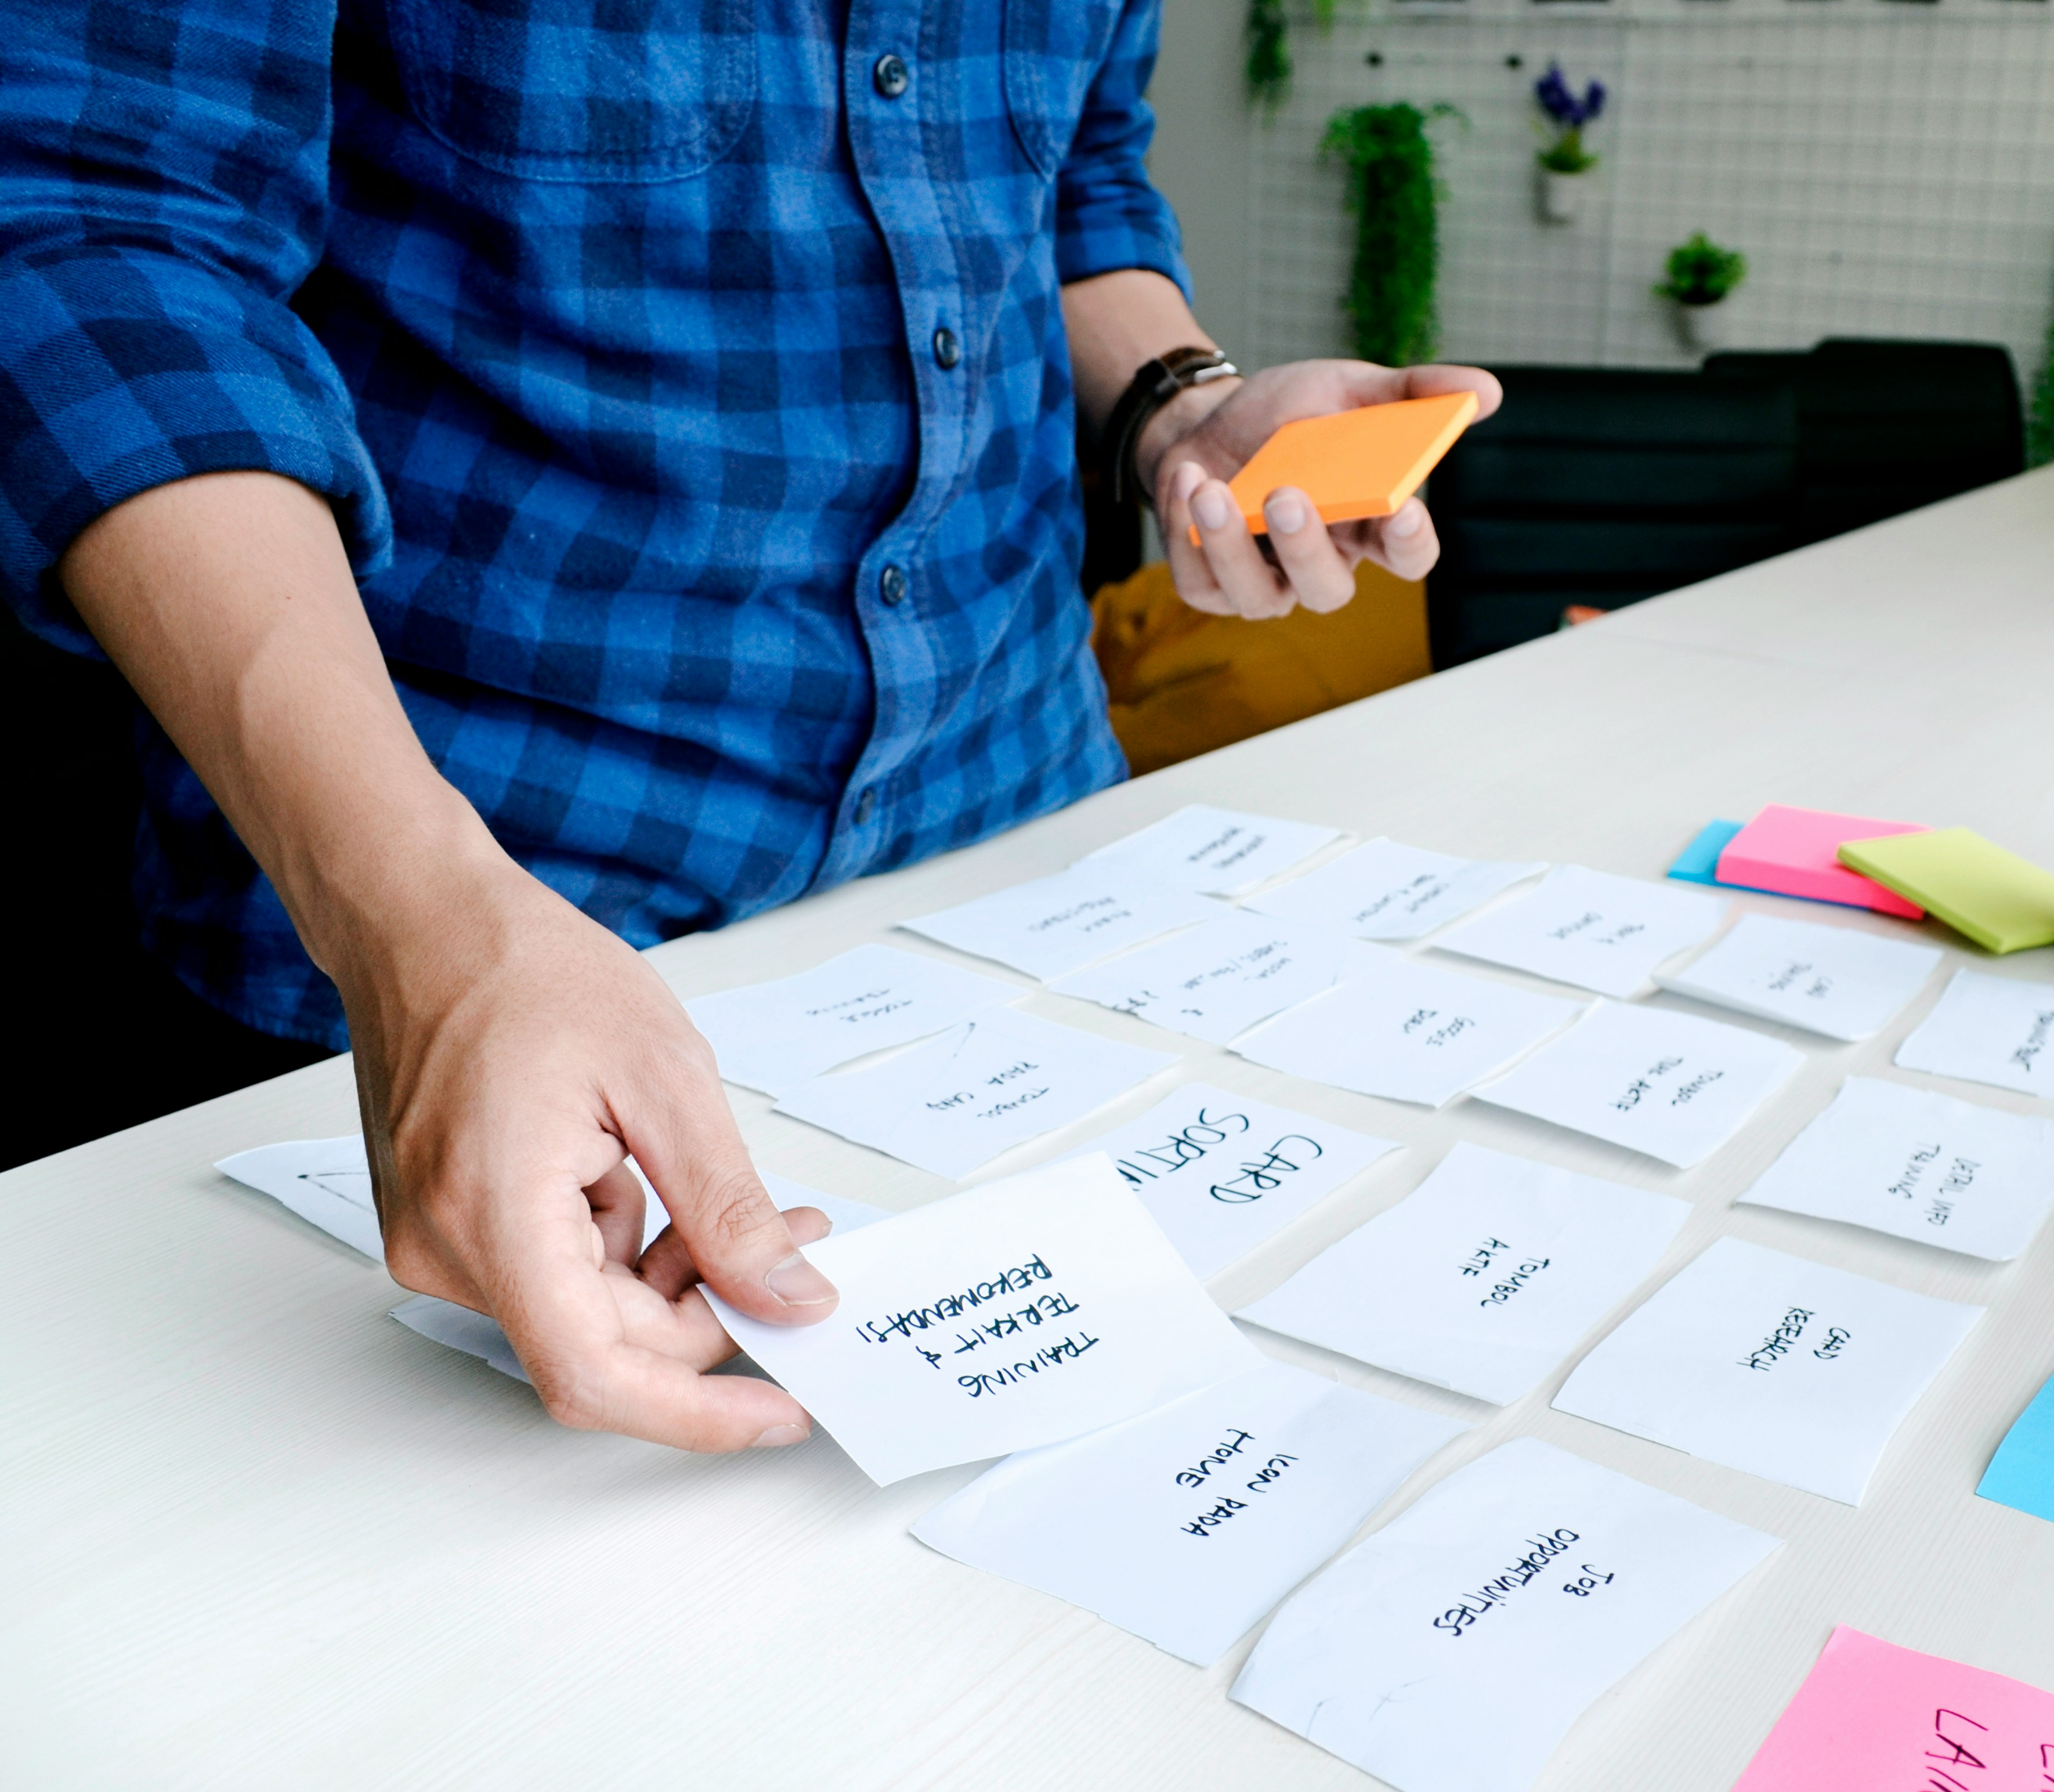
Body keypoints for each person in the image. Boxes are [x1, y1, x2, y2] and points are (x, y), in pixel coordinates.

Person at [0, 0, 1497, 1453]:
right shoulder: (432, 944)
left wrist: (1181, 405)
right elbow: (96, 238)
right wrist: (417, 921)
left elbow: (1078, 174)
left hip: (1016, 852)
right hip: (475, 938)